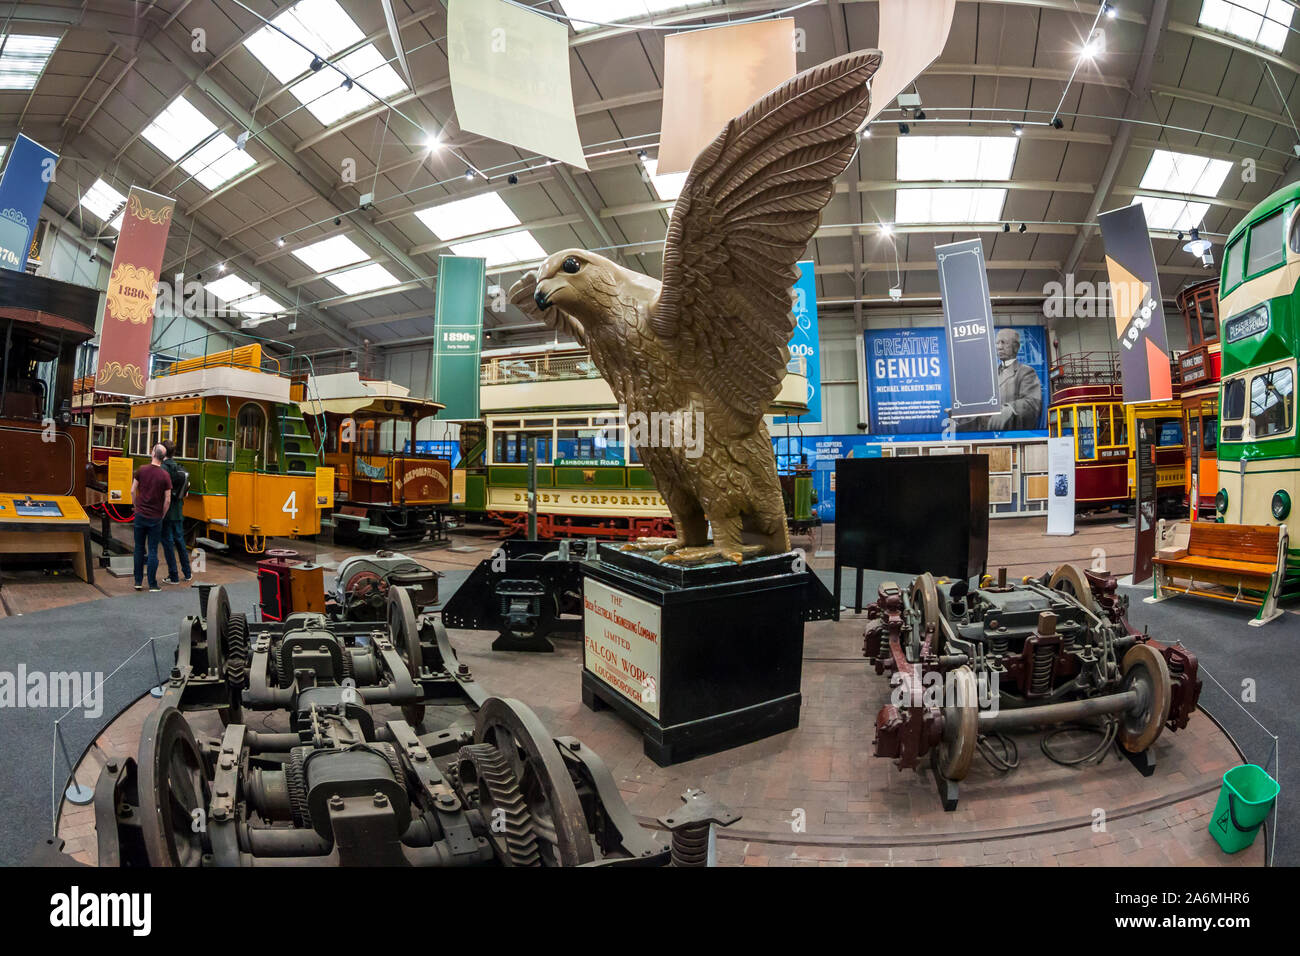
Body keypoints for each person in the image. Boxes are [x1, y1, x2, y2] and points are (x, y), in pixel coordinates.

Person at [957, 328, 1043, 432]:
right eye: (997, 343)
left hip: (1012, 435)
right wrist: (961, 413)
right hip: (987, 435)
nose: (999, 347)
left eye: (1004, 342)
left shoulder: (1026, 372)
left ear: (1016, 347)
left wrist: (1010, 409)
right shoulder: (990, 376)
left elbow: (1033, 403)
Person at [131, 444, 172, 592]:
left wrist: (136, 506)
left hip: (140, 515)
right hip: (155, 517)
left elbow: (132, 490)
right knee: (153, 549)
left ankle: (137, 582)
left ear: (153, 453)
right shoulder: (165, 475)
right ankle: (153, 584)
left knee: (139, 548)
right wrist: (162, 514)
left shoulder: (141, 470)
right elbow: (167, 500)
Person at [159, 439, 192, 584]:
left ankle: (173, 576)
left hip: (166, 512)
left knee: (168, 543)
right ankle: (188, 573)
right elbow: (186, 492)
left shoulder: (163, 468)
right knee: (180, 542)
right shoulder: (180, 468)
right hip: (178, 510)